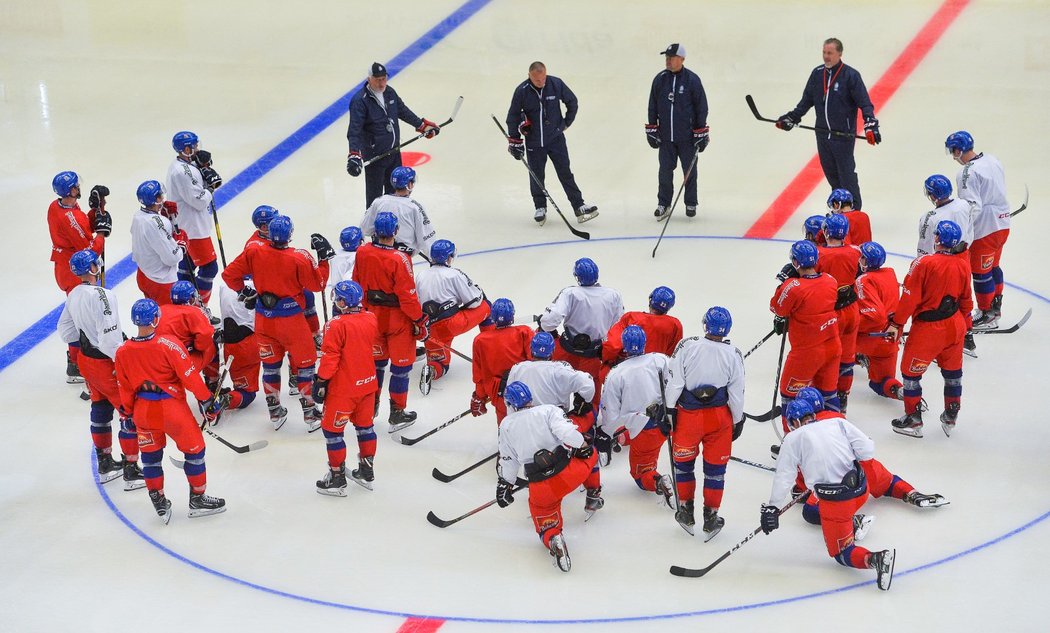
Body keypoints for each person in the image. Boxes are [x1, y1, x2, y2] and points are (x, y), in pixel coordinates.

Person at [760, 399, 948, 592]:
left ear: (794, 422)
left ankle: (875, 558)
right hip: (861, 487)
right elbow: (867, 450)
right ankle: (908, 495)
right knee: (880, 478)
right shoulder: (836, 422)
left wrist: (773, 507)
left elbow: (784, 476)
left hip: (838, 503)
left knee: (841, 552)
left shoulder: (793, 438)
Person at [115, 299, 227, 525]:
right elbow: (190, 377)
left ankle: (158, 499)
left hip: (143, 411)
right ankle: (197, 498)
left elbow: (124, 387)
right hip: (171, 409)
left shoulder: (123, 350)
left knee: (151, 458)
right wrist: (207, 401)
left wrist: (126, 414)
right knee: (195, 451)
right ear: (156, 319)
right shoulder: (169, 344)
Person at [221, 215, 331, 432]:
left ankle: (274, 412)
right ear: (290, 235)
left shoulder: (254, 251)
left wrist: (245, 292)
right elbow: (318, 284)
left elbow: (229, 275)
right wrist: (325, 259)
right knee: (305, 366)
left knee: (270, 366)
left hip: (264, 321)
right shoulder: (299, 257)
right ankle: (310, 414)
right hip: (292, 323)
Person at [57, 250, 143, 490]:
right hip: (107, 364)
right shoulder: (105, 296)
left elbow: (65, 331)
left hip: (87, 361)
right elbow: (109, 341)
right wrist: (125, 363)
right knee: (128, 413)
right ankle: (131, 470)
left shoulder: (73, 294)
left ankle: (105, 464)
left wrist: (87, 339)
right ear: (93, 268)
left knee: (100, 406)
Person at [495, 381, 598, 573]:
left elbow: (508, 460)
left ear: (510, 404)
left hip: (543, 487)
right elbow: (569, 433)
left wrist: (505, 484)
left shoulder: (506, 425)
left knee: (544, 515)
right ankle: (593, 491)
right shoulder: (548, 410)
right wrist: (582, 446)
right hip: (571, 474)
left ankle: (554, 537)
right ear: (530, 398)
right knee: (592, 454)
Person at [663, 307, 744, 540]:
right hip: (719, 419)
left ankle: (686, 510)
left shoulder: (688, 346)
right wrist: (738, 420)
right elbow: (737, 393)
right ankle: (711, 516)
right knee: (716, 471)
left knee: (684, 465)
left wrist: (669, 411)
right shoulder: (733, 353)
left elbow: (675, 382)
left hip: (689, 417)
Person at [886, 220, 972, 439]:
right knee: (953, 373)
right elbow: (965, 299)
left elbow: (909, 297)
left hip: (929, 330)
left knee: (910, 373)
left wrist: (896, 323)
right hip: (955, 325)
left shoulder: (923, 263)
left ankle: (913, 419)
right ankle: (952, 414)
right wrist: (966, 327)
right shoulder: (962, 263)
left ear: (936, 239)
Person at [776, 38, 880, 210]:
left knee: (846, 177)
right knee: (833, 177)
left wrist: (870, 124)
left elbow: (865, 103)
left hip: (842, 137)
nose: (826, 56)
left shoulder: (850, 76)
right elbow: (806, 101)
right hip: (823, 135)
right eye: (824, 52)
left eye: (830, 53)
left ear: (840, 54)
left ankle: (854, 213)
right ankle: (840, 211)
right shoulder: (817, 74)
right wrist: (792, 117)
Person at [507, 332, 602, 515]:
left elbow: (509, 401)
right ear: (552, 351)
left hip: (526, 426)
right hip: (558, 425)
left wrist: (516, 428)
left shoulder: (517, 368)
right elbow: (588, 384)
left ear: (531, 349)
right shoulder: (560, 368)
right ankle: (593, 492)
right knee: (588, 432)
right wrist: (584, 401)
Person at [351, 211, 429, 431]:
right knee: (401, 369)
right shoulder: (400, 259)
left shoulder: (362, 251)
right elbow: (407, 296)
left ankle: (369, 409)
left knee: (375, 365)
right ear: (395, 231)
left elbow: (356, 284)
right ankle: (397, 412)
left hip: (371, 318)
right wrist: (419, 320)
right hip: (397, 321)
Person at [506, 61, 598, 225]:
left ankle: (579, 205)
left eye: (543, 80)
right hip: (534, 142)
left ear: (546, 74)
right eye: (536, 81)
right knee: (536, 175)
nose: (541, 83)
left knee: (565, 173)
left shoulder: (556, 84)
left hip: (556, 140)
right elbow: (512, 116)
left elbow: (572, 102)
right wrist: (515, 141)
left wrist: (565, 124)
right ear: (529, 76)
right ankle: (540, 207)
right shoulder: (522, 91)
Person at [313, 281, 381, 496]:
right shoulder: (371, 317)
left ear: (343, 301)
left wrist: (321, 380)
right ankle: (366, 471)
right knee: (365, 428)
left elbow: (331, 358)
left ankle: (337, 478)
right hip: (368, 384)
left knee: (332, 432)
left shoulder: (335, 324)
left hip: (344, 389)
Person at [597, 326, 674, 507]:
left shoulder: (616, 373)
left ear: (623, 346)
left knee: (641, 475)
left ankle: (659, 481)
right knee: (629, 433)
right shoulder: (661, 359)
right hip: (669, 424)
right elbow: (676, 386)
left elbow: (610, 413)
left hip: (645, 430)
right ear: (644, 343)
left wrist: (605, 434)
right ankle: (622, 438)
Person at [346, 62, 441, 208]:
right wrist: (354, 154)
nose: (382, 82)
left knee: (396, 196)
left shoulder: (390, 92)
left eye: (384, 78)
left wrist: (421, 125)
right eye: (378, 79)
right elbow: (354, 130)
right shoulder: (360, 101)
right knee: (375, 199)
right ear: (369, 79)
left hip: (394, 154)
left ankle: (395, 223)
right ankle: (374, 229)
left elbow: (403, 111)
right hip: (376, 157)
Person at [48, 171, 110, 384]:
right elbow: (88, 250)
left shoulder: (58, 206)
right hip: (75, 270)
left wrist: (95, 212)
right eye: (76, 186)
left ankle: (77, 362)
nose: (78, 188)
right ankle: (77, 365)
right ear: (69, 191)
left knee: (78, 315)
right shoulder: (69, 216)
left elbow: (81, 226)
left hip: (65, 266)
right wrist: (101, 233)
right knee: (81, 318)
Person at [945, 131, 1011, 331]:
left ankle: (986, 313)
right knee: (994, 267)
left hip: (985, 229)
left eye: (952, 151)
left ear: (958, 150)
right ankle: (995, 308)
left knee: (980, 272)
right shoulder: (992, 159)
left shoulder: (967, 172)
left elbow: (972, 206)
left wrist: (962, 230)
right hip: (1003, 223)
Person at [769, 241, 842, 417]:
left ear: (795, 263)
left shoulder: (794, 287)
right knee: (828, 394)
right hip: (833, 347)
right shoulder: (830, 280)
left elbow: (777, 308)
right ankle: (834, 433)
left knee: (790, 396)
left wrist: (783, 283)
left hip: (806, 354)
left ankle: (791, 441)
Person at [538, 257, 624, 407]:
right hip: (594, 354)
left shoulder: (570, 293)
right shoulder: (613, 295)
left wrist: (544, 323)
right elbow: (618, 324)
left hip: (567, 349)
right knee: (590, 391)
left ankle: (555, 417)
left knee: (556, 383)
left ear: (577, 277)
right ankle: (589, 422)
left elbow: (549, 321)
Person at [415, 239, 493, 393]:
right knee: (487, 306)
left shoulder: (420, 276)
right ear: (448, 257)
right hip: (452, 323)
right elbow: (475, 302)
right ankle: (491, 348)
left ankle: (431, 371)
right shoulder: (454, 274)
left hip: (430, 328)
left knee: (440, 363)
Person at [646, 43, 709, 220]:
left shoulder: (692, 80)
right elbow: (652, 106)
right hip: (666, 137)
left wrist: (700, 131)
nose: (668, 60)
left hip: (687, 137)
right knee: (665, 171)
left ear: (681, 59)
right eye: (666, 57)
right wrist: (652, 128)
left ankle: (690, 202)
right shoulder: (660, 79)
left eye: (671, 57)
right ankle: (664, 203)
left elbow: (701, 107)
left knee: (689, 171)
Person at [166, 131, 220, 306]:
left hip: (187, 225)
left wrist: (202, 168)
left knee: (186, 268)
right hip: (194, 229)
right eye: (195, 146)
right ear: (186, 149)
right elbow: (198, 201)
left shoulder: (182, 166)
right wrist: (210, 189)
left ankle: (185, 307)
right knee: (209, 267)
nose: (198, 149)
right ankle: (199, 309)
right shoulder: (183, 172)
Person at [815, 214, 862, 412]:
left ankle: (825, 397)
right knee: (847, 355)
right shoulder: (856, 252)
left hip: (829, 312)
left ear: (826, 231)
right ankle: (843, 398)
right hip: (851, 310)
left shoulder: (818, 254)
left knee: (827, 356)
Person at [469, 298, 533, 424]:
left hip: (500, 393)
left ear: (493, 317)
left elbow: (479, 375)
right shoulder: (524, 331)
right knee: (530, 426)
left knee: (506, 428)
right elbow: (536, 363)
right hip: (526, 388)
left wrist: (479, 397)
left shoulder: (480, 340)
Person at [854, 242, 904, 400]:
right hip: (891, 339)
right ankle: (905, 392)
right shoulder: (890, 273)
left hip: (873, 339)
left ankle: (858, 355)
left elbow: (875, 316)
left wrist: (851, 324)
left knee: (838, 339)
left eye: (861, 257)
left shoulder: (863, 280)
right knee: (881, 383)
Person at [156, 281, 221, 394]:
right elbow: (203, 342)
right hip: (182, 365)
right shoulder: (194, 312)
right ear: (191, 298)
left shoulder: (160, 310)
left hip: (158, 363)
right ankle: (212, 384)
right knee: (212, 345)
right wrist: (194, 346)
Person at [360, 166, 436, 258]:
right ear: (409, 185)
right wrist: (435, 260)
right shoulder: (415, 207)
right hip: (403, 259)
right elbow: (427, 240)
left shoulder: (379, 201)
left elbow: (365, 229)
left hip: (378, 254)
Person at [131, 180, 185, 306]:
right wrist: (182, 246)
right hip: (161, 281)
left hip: (144, 275)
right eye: (160, 194)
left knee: (155, 315)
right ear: (155, 199)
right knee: (167, 319)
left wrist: (164, 216)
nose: (163, 196)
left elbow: (155, 238)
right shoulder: (158, 222)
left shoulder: (138, 216)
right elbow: (172, 258)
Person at [602, 286, 683, 363]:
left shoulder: (631, 318)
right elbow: (673, 356)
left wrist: (606, 360)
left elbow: (612, 346)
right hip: (657, 372)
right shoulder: (675, 325)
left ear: (651, 300)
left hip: (626, 369)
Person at [217, 278, 260, 412]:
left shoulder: (224, 285)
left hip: (230, 348)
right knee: (248, 393)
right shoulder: (256, 285)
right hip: (250, 344)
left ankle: (226, 398)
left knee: (241, 389)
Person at [918, 175, 974, 257]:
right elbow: (970, 232)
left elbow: (924, 250)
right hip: (963, 257)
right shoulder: (964, 205)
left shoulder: (929, 218)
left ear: (933, 196)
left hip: (941, 261)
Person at [327, 226, 363, 292]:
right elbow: (348, 278)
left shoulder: (335, 253)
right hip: (349, 293)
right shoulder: (357, 256)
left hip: (336, 292)